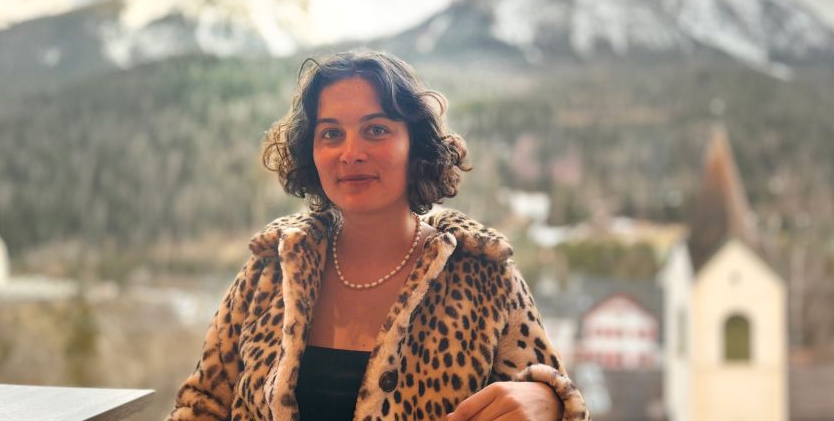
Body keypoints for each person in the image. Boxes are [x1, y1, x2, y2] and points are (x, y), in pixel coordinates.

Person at [166, 51, 589, 421]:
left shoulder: (483, 273)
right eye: (331, 133)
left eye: (376, 130)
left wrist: (551, 404)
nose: (351, 153)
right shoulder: (271, 268)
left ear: (415, 145)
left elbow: (550, 398)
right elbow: (201, 405)